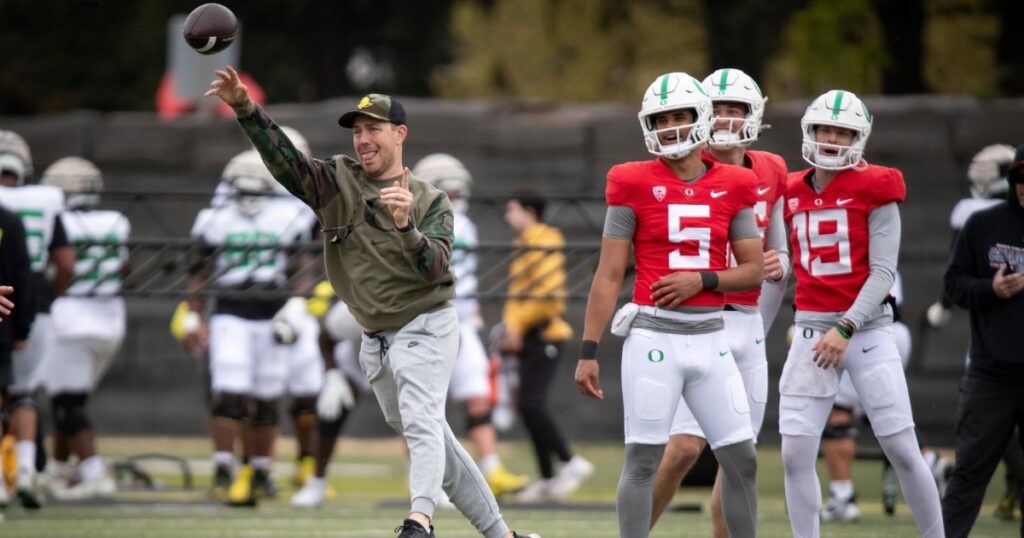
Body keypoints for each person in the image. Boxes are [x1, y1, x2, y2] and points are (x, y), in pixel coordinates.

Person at [206, 65, 540, 538]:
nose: (363, 139)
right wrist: (244, 107)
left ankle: (419, 521)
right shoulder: (336, 182)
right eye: (358, 131)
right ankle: (502, 536)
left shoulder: (430, 200)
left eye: (373, 130)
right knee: (436, 445)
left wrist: (406, 228)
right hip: (374, 338)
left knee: (423, 424)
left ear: (399, 134)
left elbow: (437, 269)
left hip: (426, 324)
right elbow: (286, 163)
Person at [575, 71, 763, 538]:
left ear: (701, 118)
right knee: (642, 459)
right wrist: (588, 350)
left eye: (681, 115)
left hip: (711, 338)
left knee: (742, 458)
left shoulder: (737, 182)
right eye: (663, 118)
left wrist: (701, 278)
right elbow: (609, 273)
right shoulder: (631, 181)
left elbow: (753, 270)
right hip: (654, 337)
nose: (672, 127)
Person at [778, 89, 943, 538]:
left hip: (867, 330)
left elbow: (884, 271)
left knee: (902, 448)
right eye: (825, 130)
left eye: (842, 132)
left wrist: (846, 325)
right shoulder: (789, 190)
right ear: (810, 132)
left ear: (859, 137)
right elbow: (794, 257)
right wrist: (779, 263)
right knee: (794, 453)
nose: (831, 139)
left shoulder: (877, 185)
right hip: (811, 331)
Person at [648, 67, 788, 536]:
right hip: (699, 318)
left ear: (755, 115)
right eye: (719, 108)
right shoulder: (685, 164)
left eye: (736, 109)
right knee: (684, 447)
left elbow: (778, 247)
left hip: (747, 321)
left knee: (737, 454)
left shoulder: (772, 169)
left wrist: (779, 266)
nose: (726, 119)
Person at [181, 149, 317, 507]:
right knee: (230, 389)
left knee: (267, 397)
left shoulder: (287, 216)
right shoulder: (215, 218)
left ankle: (261, 470)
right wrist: (193, 314)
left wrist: (296, 302)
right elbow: (200, 272)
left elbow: (302, 266)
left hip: (272, 312)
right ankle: (225, 465)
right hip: (230, 311)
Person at [412, 153, 529, 499]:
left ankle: (491, 470)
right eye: (448, 191)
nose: (455, 198)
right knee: (422, 408)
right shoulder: (412, 221)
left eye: (458, 192)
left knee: (478, 397)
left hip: (461, 321)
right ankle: (423, 483)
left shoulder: (467, 226)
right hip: (426, 321)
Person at [925, 143, 1024, 521]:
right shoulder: (981, 221)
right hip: (991, 366)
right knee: (971, 467)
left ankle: (1016, 481)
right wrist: (990, 290)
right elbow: (955, 280)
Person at [818, 272, 952, 522]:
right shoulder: (878, 245)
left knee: (838, 413)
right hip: (892, 330)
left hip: (864, 331)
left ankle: (841, 497)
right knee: (880, 413)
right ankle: (930, 462)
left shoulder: (847, 244)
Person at [37, 157, 130, 500]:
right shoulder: (116, 221)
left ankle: (93, 471)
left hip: (70, 317)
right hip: (110, 318)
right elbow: (127, 270)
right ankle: (57, 470)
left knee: (66, 403)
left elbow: (61, 267)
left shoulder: (56, 220)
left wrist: (48, 294)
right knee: (73, 400)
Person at [499, 190, 592, 503]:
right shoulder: (522, 243)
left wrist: (517, 324)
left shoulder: (547, 240)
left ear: (529, 211)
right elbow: (518, 294)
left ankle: (569, 461)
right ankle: (549, 477)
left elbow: (548, 297)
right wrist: (510, 327)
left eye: (512, 209)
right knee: (526, 405)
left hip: (546, 336)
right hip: (527, 336)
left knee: (532, 402)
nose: (507, 216)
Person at [0, 129, 75, 509]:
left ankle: (1, 478)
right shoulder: (45, 199)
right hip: (31, 304)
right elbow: (64, 262)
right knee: (23, 393)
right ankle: (26, 470)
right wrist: (44, 302)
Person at [292, 286, 370, 508]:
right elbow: (325, 337)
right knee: (332, 409)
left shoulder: (419, 311)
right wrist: (333, 375)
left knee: (419, 418)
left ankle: (431, 488)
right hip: (359, 363)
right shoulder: (357, 309)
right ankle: (316, 483)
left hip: (404, 367)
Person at [0, 206, 36, 509]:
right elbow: (23, 274)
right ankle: (22, 472)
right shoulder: (9, 219)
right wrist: (23, 325)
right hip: (7, 320)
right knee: (19, 395)